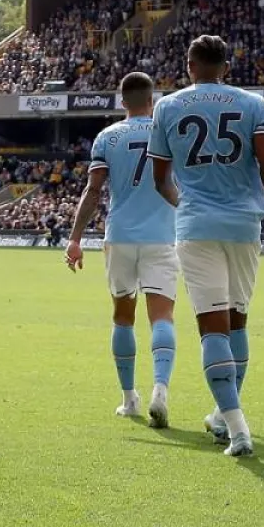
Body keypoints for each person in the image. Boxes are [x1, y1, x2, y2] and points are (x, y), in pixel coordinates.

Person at [148, 35, 264, 459]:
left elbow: (162, 179)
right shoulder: (254, 104)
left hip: (196, 229)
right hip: (243, 228)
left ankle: (235, 429)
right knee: (236, 325)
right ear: (226, 67)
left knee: (211, 328)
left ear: (190, 65)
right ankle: (223, 415)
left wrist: (191, 208)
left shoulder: (168, 106)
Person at [66, 72, 177, 429]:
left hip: (121, 236)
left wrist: (75, 238)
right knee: (162, 316)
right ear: (152, 99)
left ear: (121, 101)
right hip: (162, 235)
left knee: (123, 316)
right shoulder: (167, 132)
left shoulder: (107, 137)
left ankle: (130, 398)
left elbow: (94, 190)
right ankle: (160, 387)